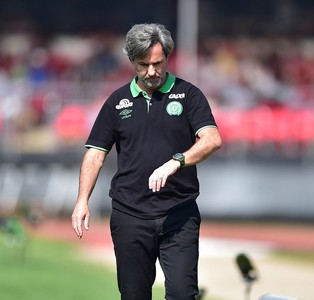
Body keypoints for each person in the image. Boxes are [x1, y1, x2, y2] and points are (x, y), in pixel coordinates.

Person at [71, 23, 222, 300]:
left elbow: (212, 139)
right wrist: (82, 200)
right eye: (143, 65)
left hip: (180, 214)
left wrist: (176, 161)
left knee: (182, 294)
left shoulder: (189, 95)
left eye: (158, 63)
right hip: (129, 215)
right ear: (132, 61)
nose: (151, 71)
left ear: (167, 57)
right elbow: (95, 153)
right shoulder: (116, 102)